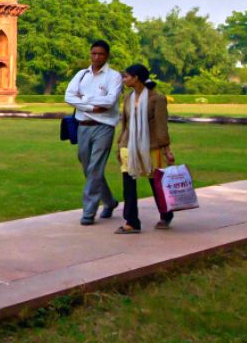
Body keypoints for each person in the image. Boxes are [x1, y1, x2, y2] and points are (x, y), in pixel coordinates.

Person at [63, 39, 123, 225]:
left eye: (101, 54)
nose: (97, 57)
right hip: (83, 126)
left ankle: (88, 212)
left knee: (95, 168)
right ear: (90, 54)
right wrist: (91, 104)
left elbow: (109, 101)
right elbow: (68, 96)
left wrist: (83, 100)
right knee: (88, 167)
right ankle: (110, 201)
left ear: (107, 55)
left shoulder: (114, 76)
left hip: (104, 127)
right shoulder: (82, 75)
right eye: (94, 53)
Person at [114, 64, 174, 234]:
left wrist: (167, 150)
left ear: (136, 78)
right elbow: (125, 124)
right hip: (129, 146)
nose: (124, 79)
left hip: (151, 146)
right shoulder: (127, 98)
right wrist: (120, 145)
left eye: (126, 76)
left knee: (155, 182)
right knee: (128, 183)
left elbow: (162, 127)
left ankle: (166, 214)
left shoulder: (157, 98)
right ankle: (132, 221)